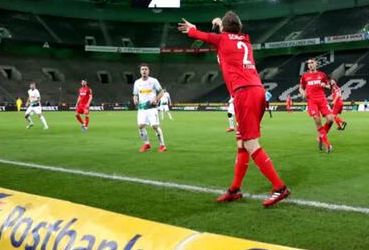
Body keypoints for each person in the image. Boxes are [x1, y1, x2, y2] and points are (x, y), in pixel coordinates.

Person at [179, 12, 290, 207]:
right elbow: (230, 31)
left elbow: (203, 36)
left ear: (224, 28)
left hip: (244, 93)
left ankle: (279, 188)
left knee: (251, 143)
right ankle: (235, 189)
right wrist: (220, 23)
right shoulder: (244, 40)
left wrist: (192, 29)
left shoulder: (222, 39)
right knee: (241, 144)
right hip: (257, 91)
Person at [300, 59, 335, 153]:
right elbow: (301, 88)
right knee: (318, 120)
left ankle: (321, 137)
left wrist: (326, 85)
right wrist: (303, 93)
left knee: (331, 119)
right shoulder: (305, 76)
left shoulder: (322, 75)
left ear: (316, 64)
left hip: (322, 100)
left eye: (312, 63)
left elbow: (328, 86)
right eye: (308, 63)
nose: (310, 64)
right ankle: (327, 145)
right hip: (312, 101)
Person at [133, 64, 166, 152]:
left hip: (152, 108)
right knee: (140, 126)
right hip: (141, 108)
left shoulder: (154, 81)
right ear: (140, 71)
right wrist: (135, 99)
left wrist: (156, 99)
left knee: (155, 126)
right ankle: (146, 144)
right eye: (142, 69)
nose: (144, 71)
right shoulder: (137, 82)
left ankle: (162, 145)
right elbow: (135, 94)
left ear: (148, 71)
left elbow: (162, 92)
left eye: (146, 69)